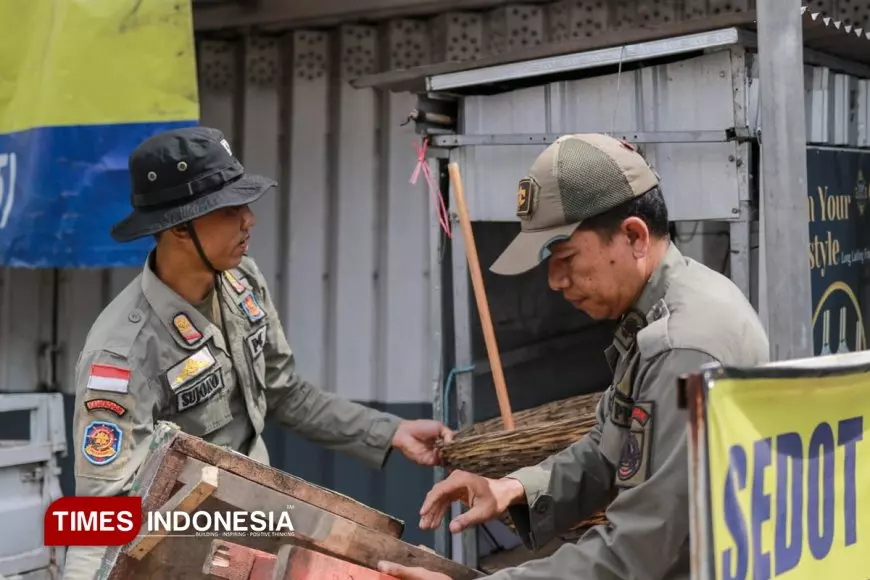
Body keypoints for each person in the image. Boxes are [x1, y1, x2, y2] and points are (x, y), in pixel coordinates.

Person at [63, 126, 453, 579]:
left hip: (256, 528)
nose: (249, 219)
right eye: (229, 210)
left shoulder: (240, 280)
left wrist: (391, 431)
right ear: (179, 227)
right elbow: (99, 514)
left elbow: (284, 393)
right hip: (177, 556)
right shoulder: (122, 353)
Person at [377, 133, 770, 580]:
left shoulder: (684, 345)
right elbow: (610, 449)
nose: (555, 281)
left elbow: (639, 552)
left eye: (563, 255)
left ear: (634, 236)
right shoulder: (655, 311)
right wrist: (513, 488)